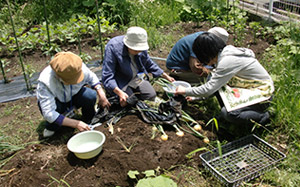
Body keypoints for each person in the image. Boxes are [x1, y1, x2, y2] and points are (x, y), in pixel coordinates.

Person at [175, 32, 274, 126]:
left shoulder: (227, 61)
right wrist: (195, 97)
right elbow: (214, 85)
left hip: (263, 93)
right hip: (248, 87)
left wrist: (185, 91)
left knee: (229, 113)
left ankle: (264, 117)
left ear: (205, 54)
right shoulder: (223, 54)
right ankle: (231, 114)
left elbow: (209, 89)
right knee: (219, 87)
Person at [36, 51, 110, 138]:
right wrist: (76, 124)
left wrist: (101, 93)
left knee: (90, 95)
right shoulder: (46, 81)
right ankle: (52, 127)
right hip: (58, 103)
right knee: (54, 119)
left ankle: (89, 119)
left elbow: (92, 77)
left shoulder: (76, 66)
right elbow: (49, 113)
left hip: (73, 96)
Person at [102, 26, 174, 107]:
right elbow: (108, 76)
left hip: (136, 77)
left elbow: (148, 63)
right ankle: (116, 94)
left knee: (150, 95)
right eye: (136, 49)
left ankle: (133, 94)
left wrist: (165, 76)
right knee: (129, 101)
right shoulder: (113, 47)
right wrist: (119, 92)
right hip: (120, 79)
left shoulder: (141, 48)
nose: (138, 51)